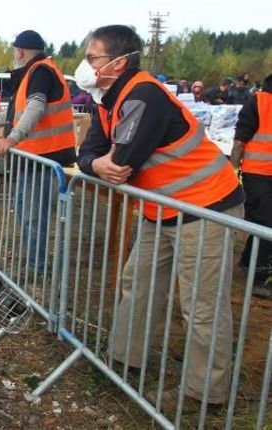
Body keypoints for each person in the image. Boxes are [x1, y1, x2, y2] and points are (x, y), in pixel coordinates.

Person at [76, 25, 243, 412]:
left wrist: (99, 163)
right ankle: (121, 361)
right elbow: (89, 155)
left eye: (92, 57)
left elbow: (120, 165)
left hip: (207, 210)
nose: (85, 65)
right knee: (139, 284)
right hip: (162, 210)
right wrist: (93, 163)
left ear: (119, 62)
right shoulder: (107, 100)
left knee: (202, 307)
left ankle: (205, 394)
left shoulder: (144, 94)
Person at [0, 30, 76, 275]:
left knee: (33, 215)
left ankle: (38, 267)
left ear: (20, 51)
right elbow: (14, 114)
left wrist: (12, 138)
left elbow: (35, 107)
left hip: (45, 156)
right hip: (34, 157)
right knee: (26, 211)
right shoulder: (32, 74)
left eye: (14, 52)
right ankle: (34, 262)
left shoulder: (40, 72)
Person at [231, 73, 272, 299]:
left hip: (264, 174)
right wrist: (234, 170)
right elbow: (240, 139)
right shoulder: (259, 100)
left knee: (262, 221)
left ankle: (248, 261)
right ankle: (259, 277)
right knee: (267, 222)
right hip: (257, 173)